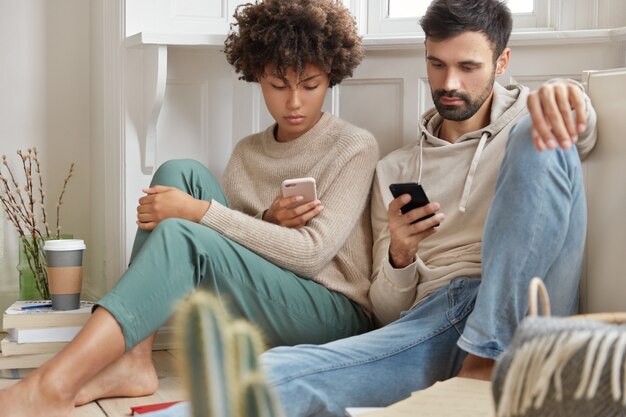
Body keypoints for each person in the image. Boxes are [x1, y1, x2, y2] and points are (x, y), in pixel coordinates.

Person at [0, 1, 379, 415]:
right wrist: (267, 219)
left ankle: (53, 383)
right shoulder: (247, 153)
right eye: (278, 84)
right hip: (275, 298)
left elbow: (309, 256)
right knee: (177, 171)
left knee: (184, 226)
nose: (294, 102)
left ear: (331, 78)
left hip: (336, 314)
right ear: (256, 76)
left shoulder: (353, 145)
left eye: (310, 85)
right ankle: (135, 359)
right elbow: (240, 258)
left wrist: (199, 212)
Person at [258, 0, 598, 416]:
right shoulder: (394, 169)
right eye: (437, 65)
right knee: (276, 372)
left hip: (533, 311)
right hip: (440, 321)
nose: (449, 82)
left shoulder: (534, 119)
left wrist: (568, 93)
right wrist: (401, 254)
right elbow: (387, 311)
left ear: (502, 61)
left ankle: (490, 354)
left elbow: (579, 133)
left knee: (538, 129)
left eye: (468, 67)